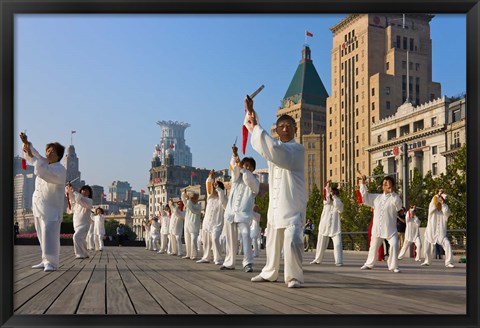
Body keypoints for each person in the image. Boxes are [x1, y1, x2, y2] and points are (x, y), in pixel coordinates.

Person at [244, 96, 306, 288]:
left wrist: (256, 127)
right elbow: (265, 147)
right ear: (277, 131)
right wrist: (251, 116)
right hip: (276, 206)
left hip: (292, 206)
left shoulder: (297, 149)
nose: (285, 128)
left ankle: (294, 276)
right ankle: (270, 272)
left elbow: (272, 149)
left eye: (289, 125)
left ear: (295, 129)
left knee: (293, 241)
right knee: (272, 242)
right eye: (281, 126)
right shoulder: (274, 150)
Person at [20, 132, 66, 272]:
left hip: (52, 209)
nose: (48, 153)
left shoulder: (59, 169)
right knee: (41, 234)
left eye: (52, 151)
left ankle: (52, 263)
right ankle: (45, 260)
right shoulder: (44, 164)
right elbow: (35, 157)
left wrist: (31, 154)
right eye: (48, 150)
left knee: (49, 234)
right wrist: (27, 145)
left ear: (58, 155)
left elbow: (40, 166)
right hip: (39, 206)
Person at [221, 147, 259, 272]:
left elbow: (248, 178)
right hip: (231, 212)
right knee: (230, 238)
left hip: (243, 214)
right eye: (245, 165)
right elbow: (234, 170)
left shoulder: (254, 181)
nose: (246, 167)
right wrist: (235, 156)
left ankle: (247, 262)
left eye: (249, 166)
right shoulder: (236, 179)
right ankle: (229, 262)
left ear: (253, 169)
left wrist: (243, 168)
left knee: (246, 235)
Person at [358, 175, 403, 273]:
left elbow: (399, 206)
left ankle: (393, 266)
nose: (385, 184)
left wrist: (392, 192)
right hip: (377, 229)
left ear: (391, 185)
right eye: (384, 183)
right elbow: (364, 198)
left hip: (390, 230)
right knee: (373, 247)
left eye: (387, 183)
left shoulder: (395, 198)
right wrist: (363, 184)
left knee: (395, 244)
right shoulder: (376, 197)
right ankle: (369, 264)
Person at [310, 181, 344, 266]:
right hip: (324, 225)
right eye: (331, 192)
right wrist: (327, 187)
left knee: (338, 244)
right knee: (321, 244)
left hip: (334, 227)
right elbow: (326, 197)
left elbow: (339, 208)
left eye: (334, 192)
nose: (332, 194)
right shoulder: (326, 202)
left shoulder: (338, 202)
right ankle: (317, 259)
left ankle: (338, 261)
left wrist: (335, 197)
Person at [197, 174, 227, 265]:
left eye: (216, 187)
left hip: (217, 224)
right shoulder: (210, 197)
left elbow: (224, 204)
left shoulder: (224, 199)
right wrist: (210, 177)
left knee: (215, 238)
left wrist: (219, 190)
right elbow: (208, 184)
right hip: (207, 223)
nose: (214, 189)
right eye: (214, 187)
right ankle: (206, 257)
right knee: (206, 241)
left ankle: (218, 258)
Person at [421, 189, 455, 268]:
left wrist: (443, 203)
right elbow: (434, 202)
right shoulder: (432, 204)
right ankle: (427, 261)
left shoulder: (445, 207)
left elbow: (447, 212)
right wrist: (438, 195)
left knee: (447, 244)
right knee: (427, 247)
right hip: (431, 231)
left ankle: (448, 262)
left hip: (440, 232)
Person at [66, 184, 93, 259]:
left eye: (87, 190)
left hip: (84, 224)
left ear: (89, 193)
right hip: (77, 223)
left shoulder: (89, 201)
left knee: (76, 236)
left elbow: (79, 199)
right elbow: (71, 199)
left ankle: (79, 254)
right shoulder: (77, 201)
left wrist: (74, 191)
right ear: (81, 191)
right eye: (83, 190)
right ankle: (85, 253)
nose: (84, 191)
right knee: (82, 239)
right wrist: (69, 189)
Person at [181, 189, 202, 260]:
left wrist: (188, 199)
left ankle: (194, 255)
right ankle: (188, 254)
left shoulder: (198, 206)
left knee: (193, 240)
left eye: (192, 198)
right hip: (187, 225)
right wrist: (184, 193)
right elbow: (184, 201)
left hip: (194, 226)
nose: (191, 199)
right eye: (191, 198)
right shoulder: (189, 203)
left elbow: (192, 209)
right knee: (187, 241)